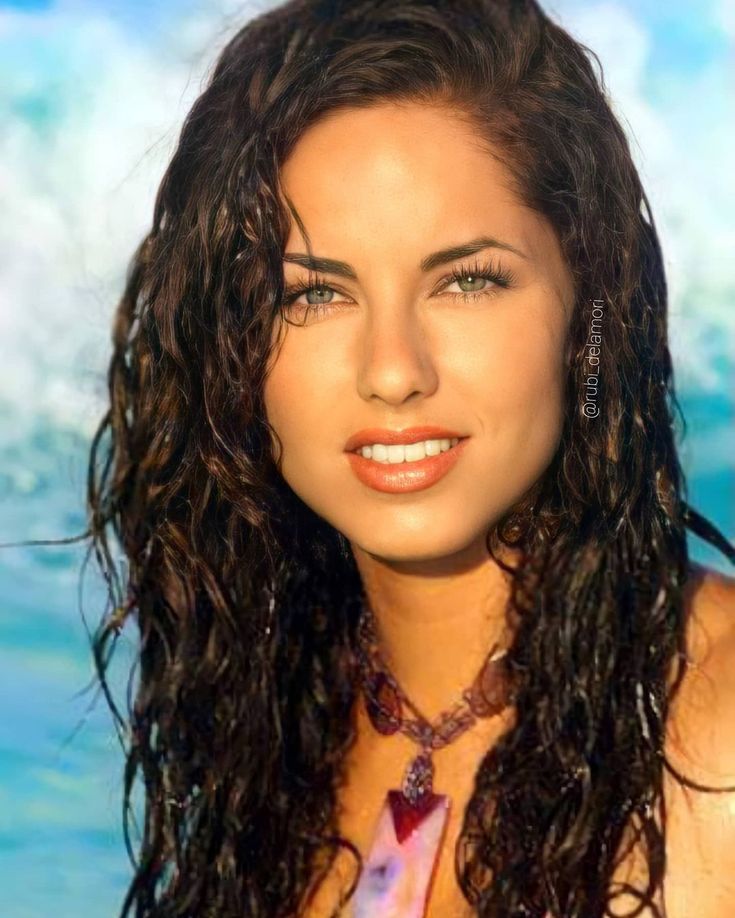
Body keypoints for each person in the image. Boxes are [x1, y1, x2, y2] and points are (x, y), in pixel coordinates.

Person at [73, 0, 735, 915]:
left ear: (588, 310)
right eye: (312, 297)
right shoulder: (262, 709)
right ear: (233, 345)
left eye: (467, 281)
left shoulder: (720, 726)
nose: (391, 372)